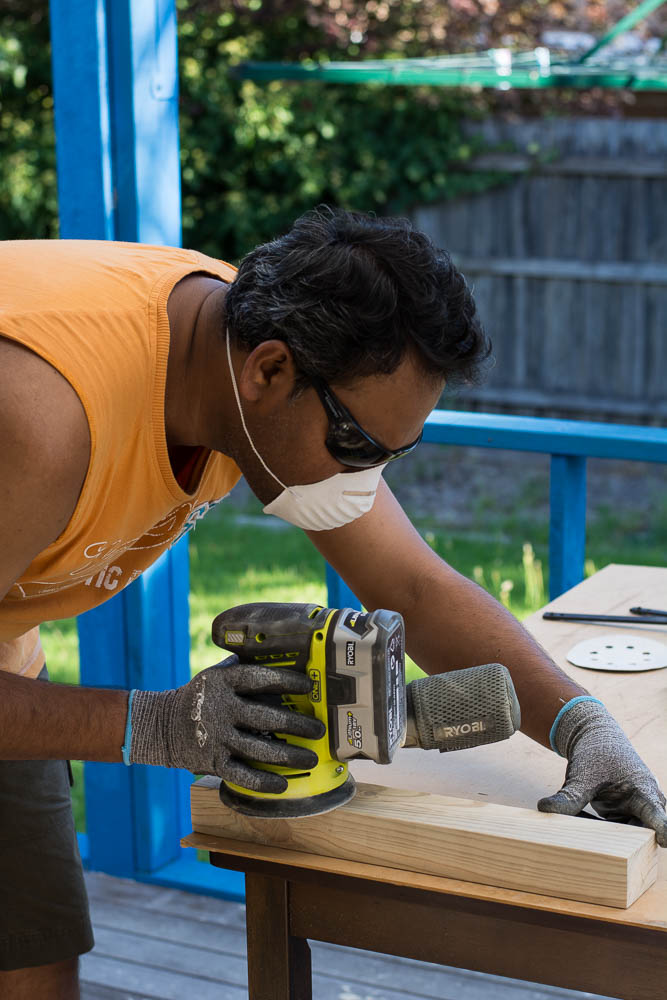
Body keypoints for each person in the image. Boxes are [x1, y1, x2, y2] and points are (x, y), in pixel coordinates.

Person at [1, 206, 665, 998]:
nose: (363, 479)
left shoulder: (235, 356)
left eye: (391, 454)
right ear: (269, 372)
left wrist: (577, 722)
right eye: (355, 447)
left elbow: (413, 587)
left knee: (33, 961)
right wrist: (154, 724)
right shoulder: (40, 417)